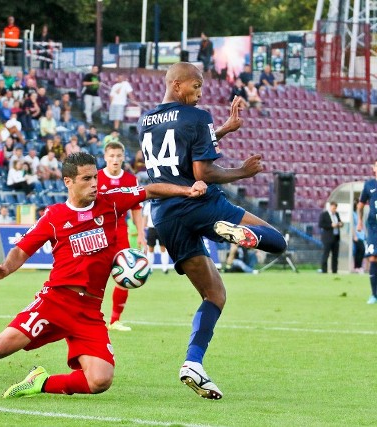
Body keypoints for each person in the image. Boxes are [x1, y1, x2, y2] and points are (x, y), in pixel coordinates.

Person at [0, 152, 207, 400]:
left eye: (95, 177)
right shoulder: (55, 216)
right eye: (86, 179)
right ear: (68, 182)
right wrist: (5, 268)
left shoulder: (111, 203)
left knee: (100, 381)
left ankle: (41, 383)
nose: (94, 184)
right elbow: (22, 249)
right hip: (55, 301)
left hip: (89, 311)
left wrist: (187, 189)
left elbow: (150, 189)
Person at [138, 62, 287, 400]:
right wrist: (241, 172)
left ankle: (193, 363)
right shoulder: (196, 116)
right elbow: (202, 170)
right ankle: (232, 232)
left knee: (214, 294)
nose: (200, 93)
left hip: (165, 215)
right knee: (277, 242)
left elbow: (178, 151)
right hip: (200, 204)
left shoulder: (145, 121)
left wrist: (222, 129)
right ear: (177, 85)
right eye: (196, 86)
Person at [98, 141, 145, 332]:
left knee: (125, 275)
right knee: (94, 277)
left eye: (118, 156)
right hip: (99, 233)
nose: (115, 160)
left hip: (120, 233)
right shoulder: (96, 177)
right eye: (111, 156)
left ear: (124, 157)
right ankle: (90, 318)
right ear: (105, 157)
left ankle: (115, 320)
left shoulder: (131, 180)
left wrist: (141, 233)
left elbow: (136, 209)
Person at [357, 162, 377, 303]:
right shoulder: (369, 185)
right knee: (373, 258)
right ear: (374, 168)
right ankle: (374, 294)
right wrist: (359, 221)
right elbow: (360, 205)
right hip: (373, 227)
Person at [142, 199, 170, 274]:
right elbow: (145, 217)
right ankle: (150, 268)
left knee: (163, 248)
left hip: (161, 227)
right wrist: (142, 229)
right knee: (150, 249)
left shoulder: (163, 203)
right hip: (151, 228)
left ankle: (165, 268)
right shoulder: (148, 205)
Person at [318, 201, 342, 274]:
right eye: (333, 207)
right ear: (330, 206)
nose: (334, 209)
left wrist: (340, 224)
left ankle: (334, 271)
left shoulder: (337, 214)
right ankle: (324, 270)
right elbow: (320, 224)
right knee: (326, 254)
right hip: (327, 238)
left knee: (335, 256)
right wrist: (331, 225)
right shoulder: (324, 214)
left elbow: (339, 221)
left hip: (336, 238)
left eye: (335, 208)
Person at [352, 199, 365, 274]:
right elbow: (352, 225)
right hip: (357, 235)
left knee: (360, 251)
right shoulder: (353, 214)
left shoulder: (360, 213)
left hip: (362, 235)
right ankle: (358, 267)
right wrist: (354, 235)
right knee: (360, 250)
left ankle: (358, 267)